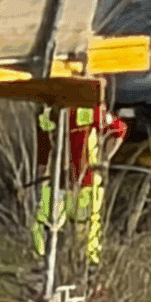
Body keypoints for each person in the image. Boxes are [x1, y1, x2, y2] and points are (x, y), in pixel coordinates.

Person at [32, 104, 127, 265]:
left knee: (87, 228)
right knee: (45, 226)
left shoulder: (89, 111)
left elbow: (119, 130)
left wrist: (104, 159)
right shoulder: (47, 114)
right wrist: (39, 179)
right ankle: (44, 266)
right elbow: (43, 150)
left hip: (86, 182)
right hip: (57, 182)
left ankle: (88, 269)